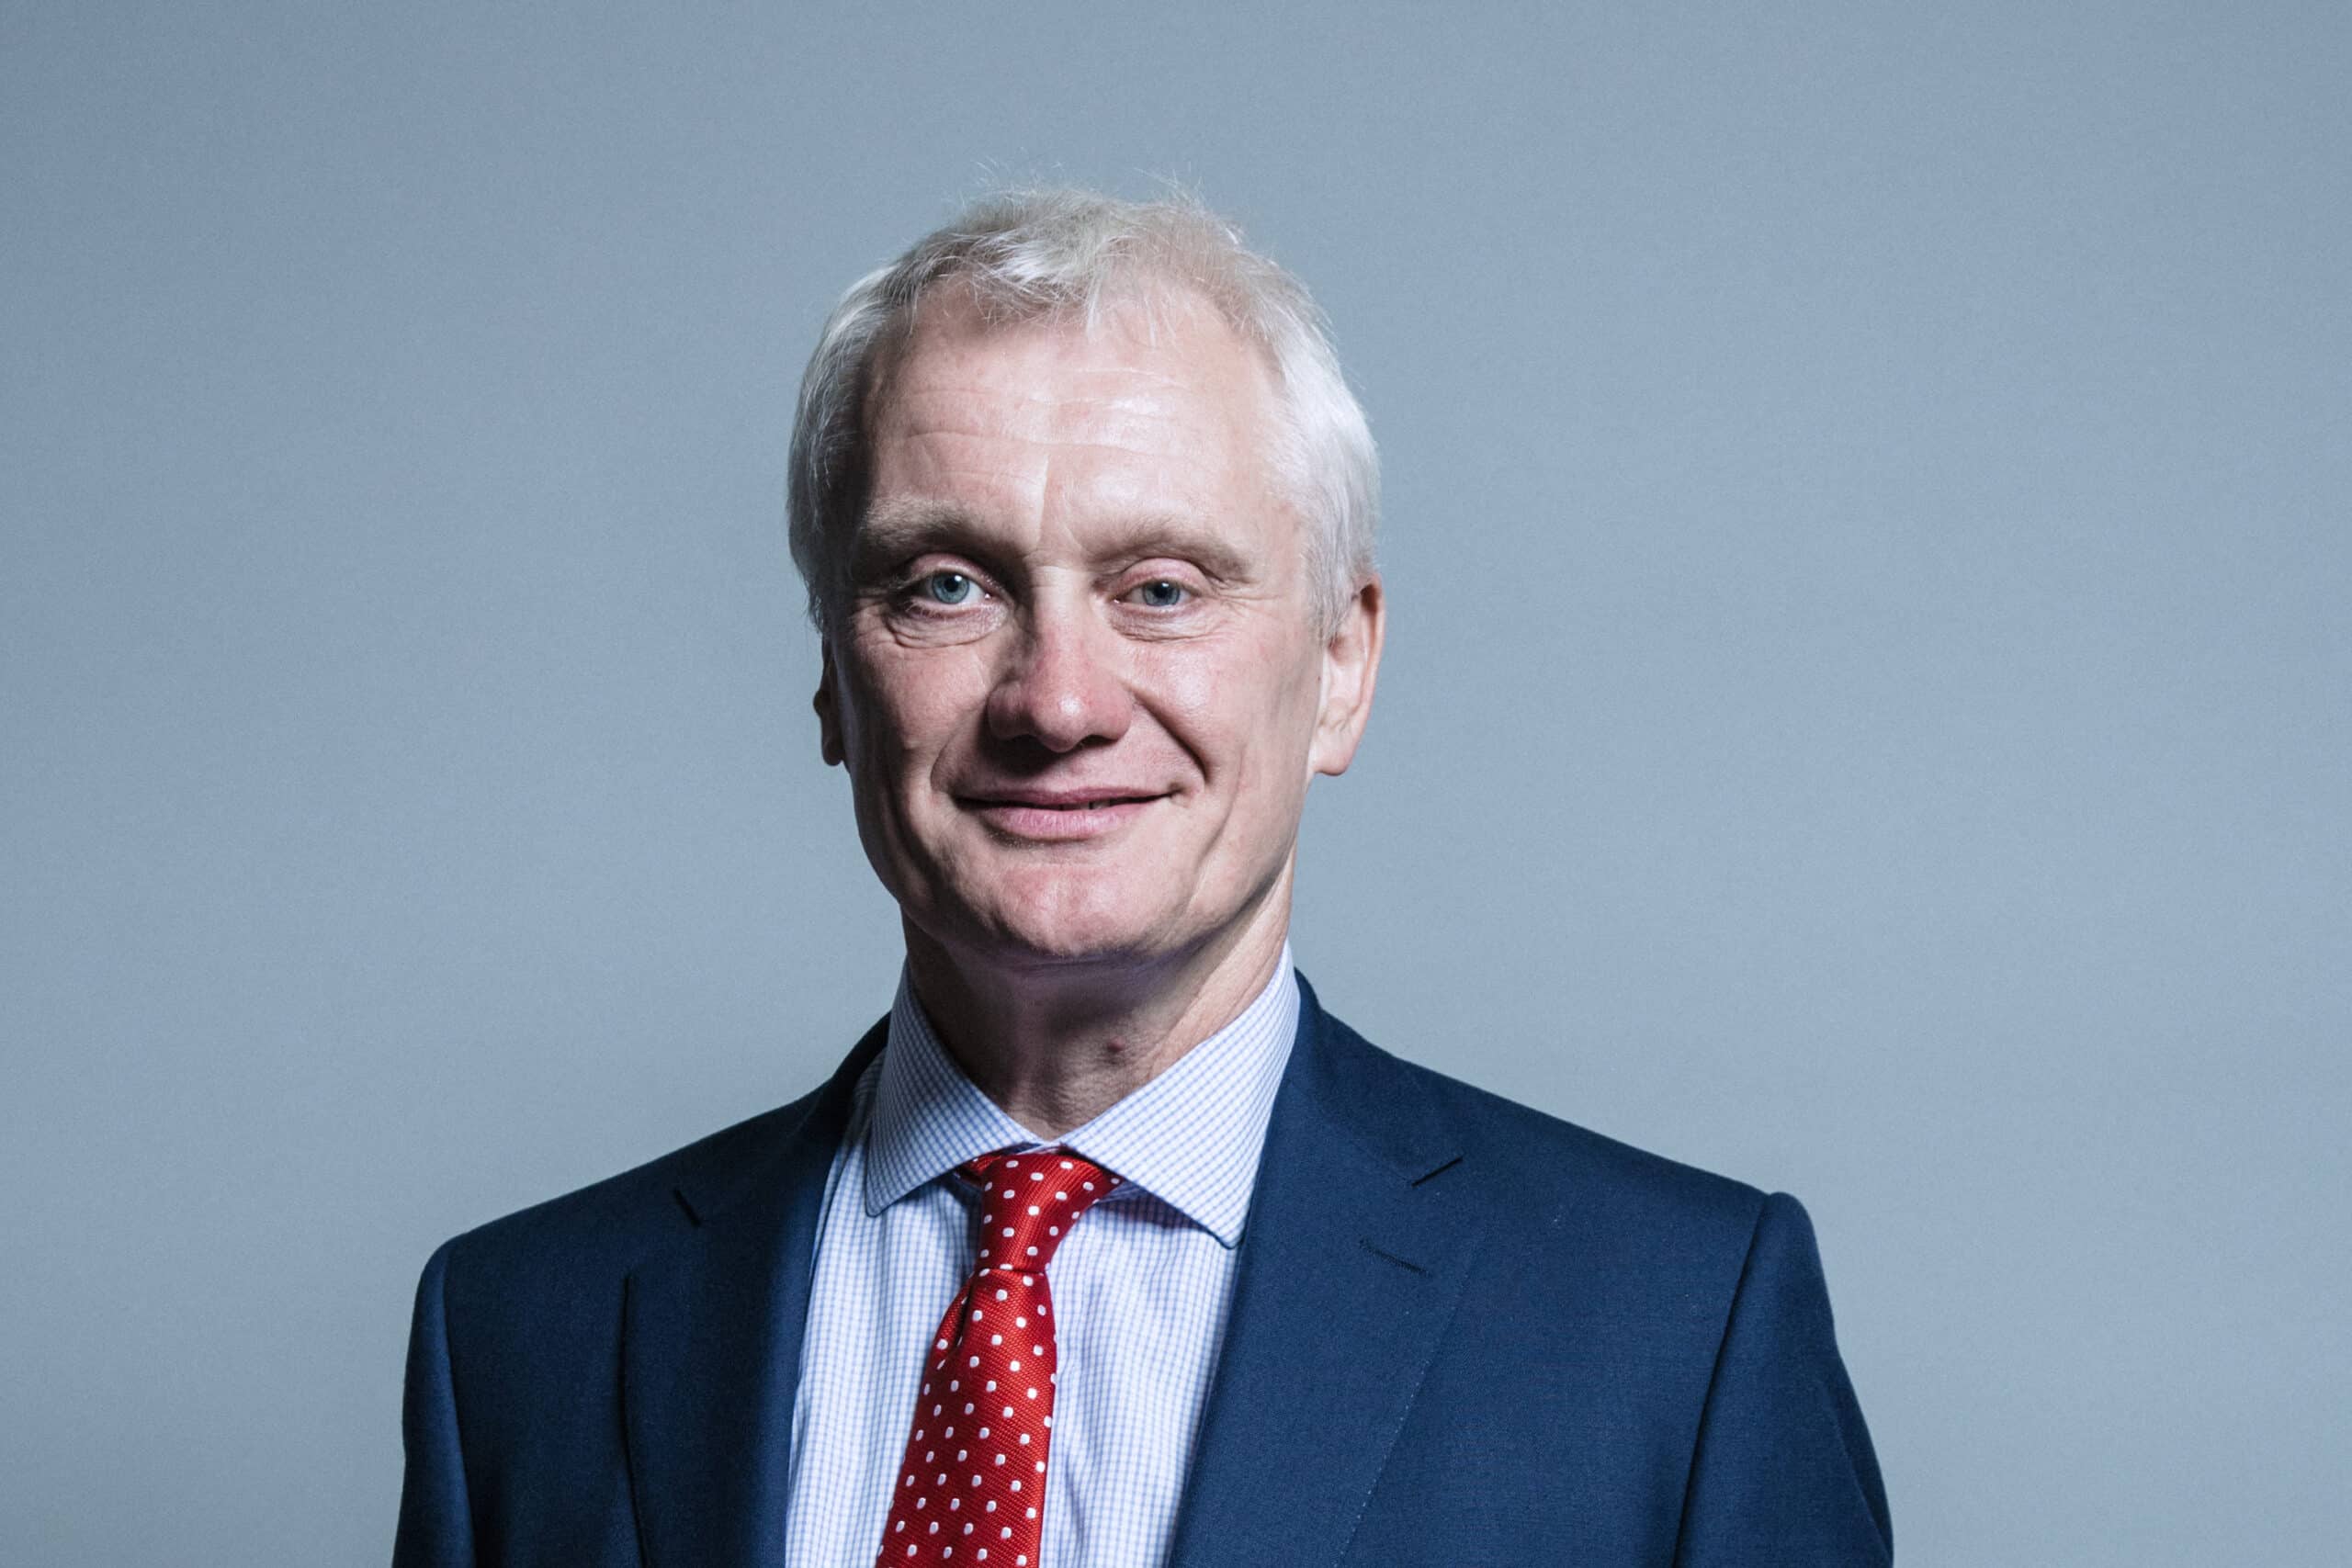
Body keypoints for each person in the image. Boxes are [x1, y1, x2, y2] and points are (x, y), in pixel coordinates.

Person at [391, 188, 1892, 1568]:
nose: (1057, 701)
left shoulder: (1675, 1337)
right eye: (947, 586)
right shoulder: (522, 1338)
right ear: (837, 684)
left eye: (1161, 589)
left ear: (1341, 665)